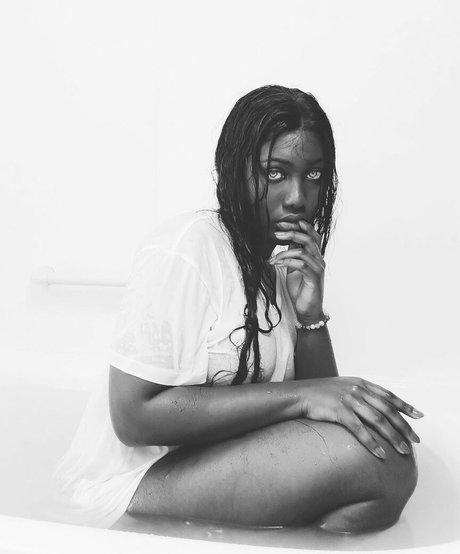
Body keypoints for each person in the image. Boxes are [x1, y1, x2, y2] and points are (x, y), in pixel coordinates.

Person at [53, 85, 423, 534]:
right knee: (376, 462)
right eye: (275, 173)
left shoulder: (278, 268)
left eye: (313, 175)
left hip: (212, 463)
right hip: (133, 487)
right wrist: (300, 397)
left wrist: (310, 315)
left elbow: (326, 412)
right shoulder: (188, 249)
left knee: (384, 446)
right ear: (235, 169)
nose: (298, 196)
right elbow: (132, 417)